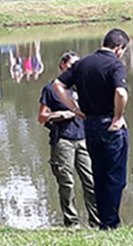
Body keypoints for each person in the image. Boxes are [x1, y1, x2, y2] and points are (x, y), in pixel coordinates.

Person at [54, 28, 130, 230]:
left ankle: (103, 221)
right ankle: (110, 222)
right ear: (118, 48)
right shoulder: (115, 65)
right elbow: (121, 92)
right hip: (110, 124)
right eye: (123, 50)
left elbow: (58, 85)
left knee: (98, 173)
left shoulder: (82, 64)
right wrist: (118, 117)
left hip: (89, 124)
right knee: (115, 176)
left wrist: (74, 108)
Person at [39, 51, 100, 228]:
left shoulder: (84, 86)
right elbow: (42, 117)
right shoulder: (51, 89)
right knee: (66, 183)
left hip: (84, 139)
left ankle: (96, 222)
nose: (76, 69)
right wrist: (60, 115)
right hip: (63, 140)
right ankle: (71, 222)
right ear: (63, 66)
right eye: (72, 66)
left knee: (90, 181)